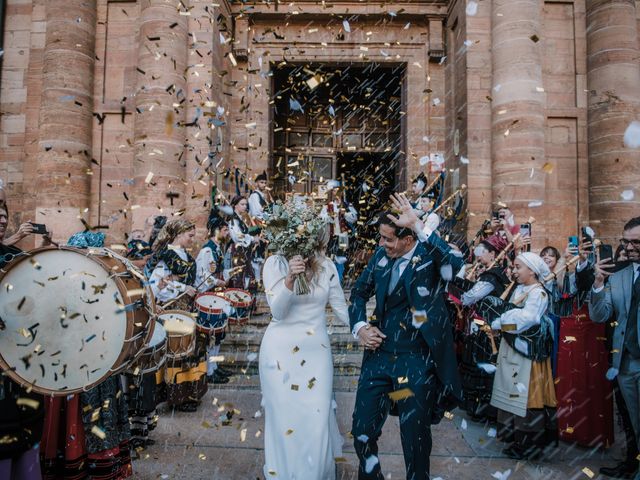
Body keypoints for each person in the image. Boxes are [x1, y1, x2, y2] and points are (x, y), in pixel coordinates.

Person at [348, 193, 464, 480]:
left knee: (415, 436)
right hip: (379, 354)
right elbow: (359, 293)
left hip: (415, 358)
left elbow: (454, 266)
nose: (381, 244)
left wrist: (419, 225)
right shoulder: (380, 257)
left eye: (388, 239)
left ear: (408, 239)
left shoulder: (429, 257)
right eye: (381, 237)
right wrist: (360, 326)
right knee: (362, 429)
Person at [259, 221, 349, 479]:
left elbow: (342, 310)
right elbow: (277, 311)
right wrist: (289, 279)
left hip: (316, 353)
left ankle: (313, 473)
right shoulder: (274, 264)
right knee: (284, 420)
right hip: (279, 353)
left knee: (316, 418)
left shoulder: (328, 266)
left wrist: (363, 327)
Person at [489, 252, 557, 461]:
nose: (515, 271)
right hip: (512, 347)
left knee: (527, 397)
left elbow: (528, 319)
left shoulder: (539, 293)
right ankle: (515, 439)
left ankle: (529, 444)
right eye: (514, 267)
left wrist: (501, 323)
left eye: (519, 267)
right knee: (511, 391)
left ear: (532, 271)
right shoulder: (519, 289)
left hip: (528, 352)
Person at [590, 217, 640, 480]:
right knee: (633, 422)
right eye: (626, 242)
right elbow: (600, 315)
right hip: (627, 362)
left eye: (636, 242)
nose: (630, 248)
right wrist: (598, 284)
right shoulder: (619, 275)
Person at [0, 204, 44, 480]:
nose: (2, 218)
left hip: (22, 362)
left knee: (27, 429)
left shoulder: (15, 258)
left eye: (4, 213)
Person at [147, 219, 207, 412]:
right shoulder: (166, 255)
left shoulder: (185, 255)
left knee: (192, 350)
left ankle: (190, 393)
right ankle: (176, 396)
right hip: (172, 308)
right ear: (178, 234)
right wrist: (182, 287)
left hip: (186, 309)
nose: (193, 239)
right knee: (177, 354)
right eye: (190, 235)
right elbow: (157, 284)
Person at [195, 215, 232, 385]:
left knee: (219, 334)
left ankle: (215, 367)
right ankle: (209, 371)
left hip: (217, 295)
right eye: (225, 230)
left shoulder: (217, 248)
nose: (228, 232)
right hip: (209, 296)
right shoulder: (207, 250)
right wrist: (219, 281)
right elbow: (203, 275)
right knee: (211, 334)